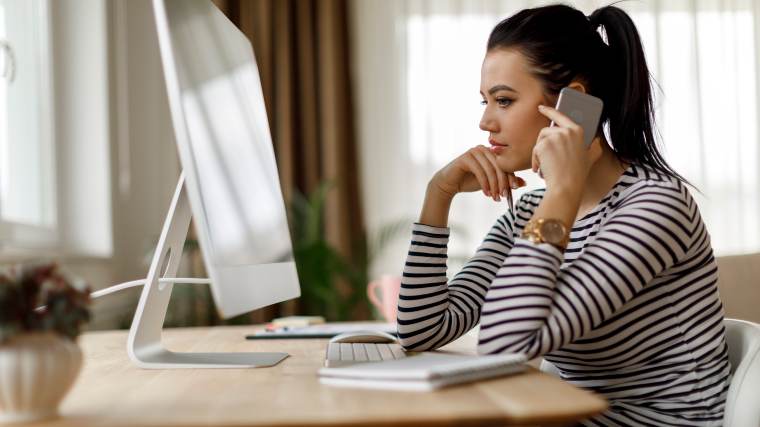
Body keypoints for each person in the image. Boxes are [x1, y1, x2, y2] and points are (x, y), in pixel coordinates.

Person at [396, 4, 731, 426]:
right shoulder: (533, 213)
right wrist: (438, 195)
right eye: (485, 101)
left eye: (503, 100)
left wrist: (563, 189)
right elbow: (422, 330)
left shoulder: (654, 205)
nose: (485, 122)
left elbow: (505, 344)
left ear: (574, 104)